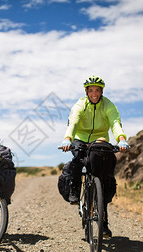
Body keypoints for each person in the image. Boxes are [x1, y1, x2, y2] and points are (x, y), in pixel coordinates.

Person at [60, 75, 129, 237]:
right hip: (80, 139)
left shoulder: (108, 105)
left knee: (103, 179)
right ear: (86, 92)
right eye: (91, 90)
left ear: (102, 91)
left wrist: (122, 139)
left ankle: (103, 224)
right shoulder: (80, 105)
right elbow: (74, 121)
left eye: (97, 90)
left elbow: (115, 123)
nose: (94, 93)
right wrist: (68, 138)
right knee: (78, 159)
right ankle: (75, 190)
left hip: (100, 140)